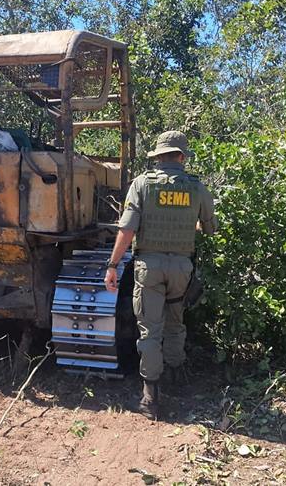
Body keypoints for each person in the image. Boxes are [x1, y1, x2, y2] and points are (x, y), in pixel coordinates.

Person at [104, 130, 218, 420]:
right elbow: (210, 228)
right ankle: (177, 375)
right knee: (176, 321)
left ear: (158, 157)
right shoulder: (196, 187)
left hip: (149, 269)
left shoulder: (142, 184)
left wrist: (113, 265)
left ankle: (150, 397)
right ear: (181, 157)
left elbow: (127, 230)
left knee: (150, 330)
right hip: (182, 267)